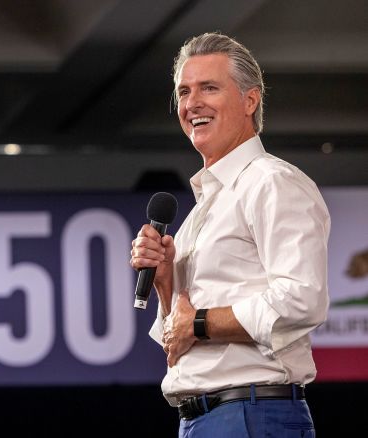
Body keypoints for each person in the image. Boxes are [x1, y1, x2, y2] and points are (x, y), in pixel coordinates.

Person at [130, 32, 330, 437]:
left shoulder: (272, 182)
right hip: (204, 418)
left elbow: (302, 298)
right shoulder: (203, 209)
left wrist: (200, 322)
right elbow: (177, 340)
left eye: (209, 88)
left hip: (251, 415)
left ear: (250, 101)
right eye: (184, 91)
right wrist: (167, 284)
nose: (192, 103)